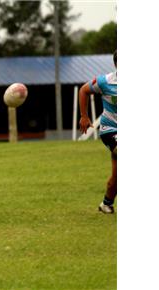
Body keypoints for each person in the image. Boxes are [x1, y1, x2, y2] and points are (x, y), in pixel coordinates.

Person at [79, 50, 117, 214]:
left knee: (117, 177)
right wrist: (84, 116)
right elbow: (84, 90)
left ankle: (106, 203)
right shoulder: (105, 81)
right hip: (111, 129)